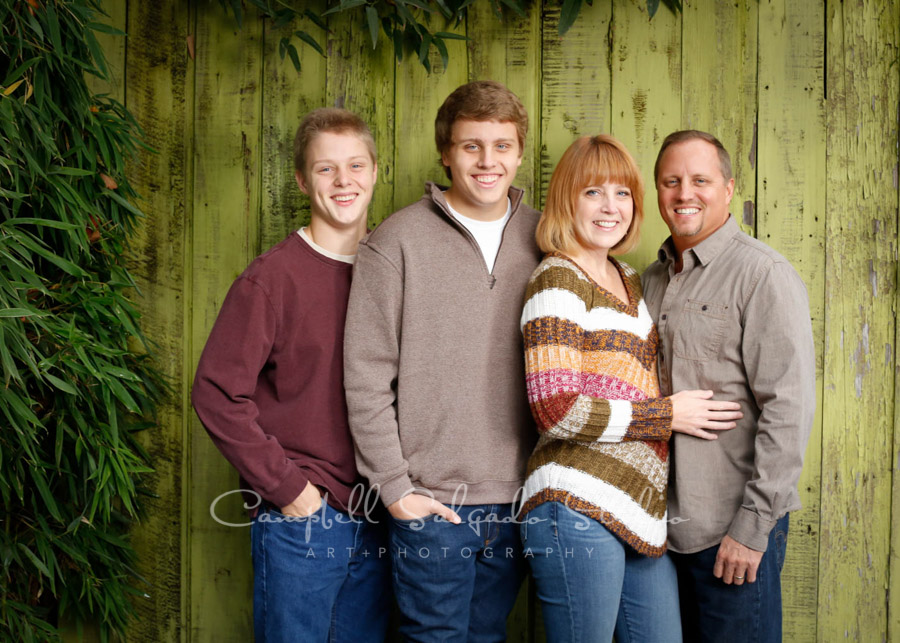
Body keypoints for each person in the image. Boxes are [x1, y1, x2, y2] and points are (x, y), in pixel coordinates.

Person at [518, 134, 743, 643]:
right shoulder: (558, 278)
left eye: (622, 194)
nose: (610, 207)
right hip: (574, 502)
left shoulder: (629, 279)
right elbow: (555, 410)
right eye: (593, 192)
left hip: (638, 512)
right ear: (566, 200)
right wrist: (665, 416)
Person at [343, 80, 541, 642]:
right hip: (433, 501)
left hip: (520, 499)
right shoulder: (397, 241)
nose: (488, 161)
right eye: (471, 145)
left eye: (502, 145)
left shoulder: (548, 236)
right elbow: (364, 376)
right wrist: (396, 488)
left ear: (520, 152)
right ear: (446, 153)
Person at [191, 108, 390, 643]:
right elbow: (216, 393)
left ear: (375, 171)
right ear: (303, 180)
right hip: (305, 516)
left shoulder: (391, 270)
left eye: (355, 165)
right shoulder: (272, 280)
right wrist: (290, 490)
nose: (343, 181)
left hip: (378, 512)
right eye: (326, 169)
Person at [642, 130, 815, 642]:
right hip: (660, 536)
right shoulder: (650, 279)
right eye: (671, 181)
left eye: (700, 180)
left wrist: (752, 528)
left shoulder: (762, 274)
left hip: (729, 530)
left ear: (728, 188)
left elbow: (788, 408)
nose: (684, 193)